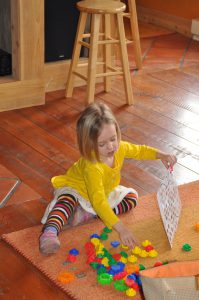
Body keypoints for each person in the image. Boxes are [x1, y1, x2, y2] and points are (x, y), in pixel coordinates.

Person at [39, 102, 177, 255]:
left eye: (113, 139)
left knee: (131, 197)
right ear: (88, 145)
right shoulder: (92, 167)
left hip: (102, 194)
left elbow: (140, 151)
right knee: (66, 201)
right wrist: (121, 228)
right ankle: (50, 232)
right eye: (102, 144)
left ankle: (89, 214)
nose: (111, 147)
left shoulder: (120, 147)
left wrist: (161, 155)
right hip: (77, 191)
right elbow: (98, 201)